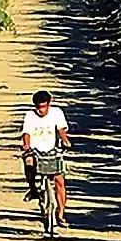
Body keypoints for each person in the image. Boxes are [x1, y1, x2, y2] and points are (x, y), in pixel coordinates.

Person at [21, 90, 71, 226]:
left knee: (59, 181)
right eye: (38, 107)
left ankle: (60, 213)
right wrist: (26, 145)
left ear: (49, 104)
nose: (41, 110)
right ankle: (32, 189)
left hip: (53, 151)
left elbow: (61, 130)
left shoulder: (57, 113)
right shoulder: (30, 116)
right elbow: (26, 132)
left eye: (43, 107)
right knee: (28, 163)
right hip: (35, 150)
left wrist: (65, 141)